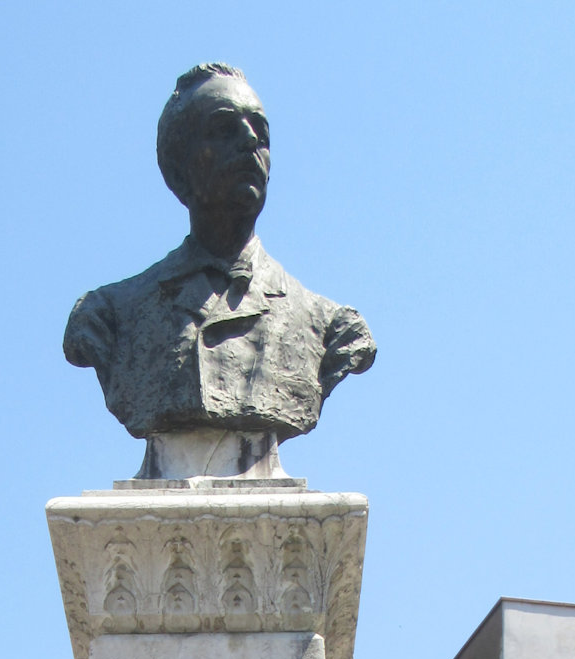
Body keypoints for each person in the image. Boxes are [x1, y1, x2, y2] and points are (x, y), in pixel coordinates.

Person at [64, 64, 376, 477]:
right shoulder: (111, 317)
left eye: (260, 133)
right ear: (179, 167)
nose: (250, 141)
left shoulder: (330, 327)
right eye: (225, 128)